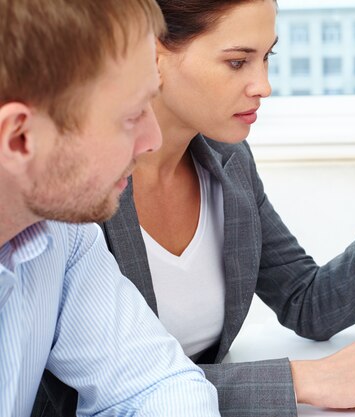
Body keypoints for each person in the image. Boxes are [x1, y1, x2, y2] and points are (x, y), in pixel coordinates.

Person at [32, 1, 355, 416]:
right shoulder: (80, 185)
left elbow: (307, 302)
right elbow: (96, 391)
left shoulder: (228, 161)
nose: (264, 85)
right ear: (154, 56)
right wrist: (299, 381)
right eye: (237, 62)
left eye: (267, 57)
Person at [0, 0, 222, 416]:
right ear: (19, 138)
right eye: (132, 116)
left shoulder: (63, 234)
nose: (153, 140)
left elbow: (155, 384)